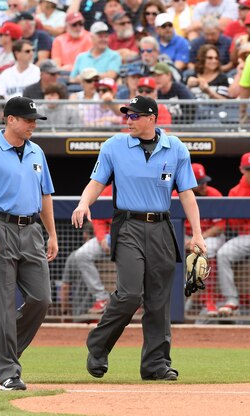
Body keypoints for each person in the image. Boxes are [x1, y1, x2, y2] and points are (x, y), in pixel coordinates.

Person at [72, 95, 206, 381]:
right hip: (129, 224)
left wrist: (197, 233)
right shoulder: (114, 146)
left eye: (134, 116)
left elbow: (186, 194)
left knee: (158, 300)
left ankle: (155, 364)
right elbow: (97, 182)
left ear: (151, 118)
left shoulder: (176, 147)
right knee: (130, 293)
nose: (128, 120)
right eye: (126, 115)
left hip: (161, 226)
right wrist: (84, 204)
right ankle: (98, 345)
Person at [0, 96, 57, 391]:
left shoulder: (36, 152)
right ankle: (7, 371)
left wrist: (52, 234)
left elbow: (45, 197)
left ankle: (4, 346)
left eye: (35, 120)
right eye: (28, 120)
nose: (33, 124)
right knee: (2, 306)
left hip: (31, 230)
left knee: (41, 299)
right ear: (10, 120)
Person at [217, 153, 250, 317]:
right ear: (241, 169)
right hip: (246, 236)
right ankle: (231, 300)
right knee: (222, 253)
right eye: (248, 169)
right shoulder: (236, 191)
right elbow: (232, 223)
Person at [172, 163, 225, 317]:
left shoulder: (213, 193)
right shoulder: (177, 195)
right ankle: (180, 301)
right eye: (200, 182)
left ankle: (209, 300)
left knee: (207, 251)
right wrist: (184, 240)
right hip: (183, 235)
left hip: (209, 235)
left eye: (205, 181)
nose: (204, 185)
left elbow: (221, 225)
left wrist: (199, 238)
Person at [64, 184, 114, 315]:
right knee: (82, 254)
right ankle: (102, 298)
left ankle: (136, 300)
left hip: (132, 234)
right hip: (110, 235)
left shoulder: (138, 185)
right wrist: (102, 237)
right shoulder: (107, 190)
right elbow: (98, 219)